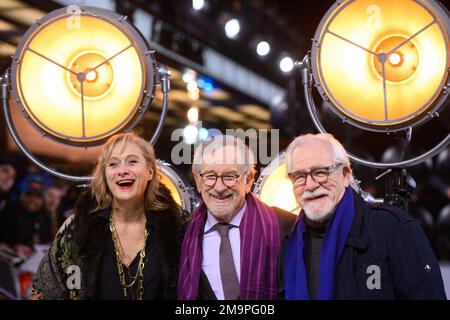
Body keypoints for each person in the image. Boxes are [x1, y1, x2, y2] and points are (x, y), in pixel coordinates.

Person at [280, 133, 446, 300]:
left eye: (321, 172)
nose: (310, 185)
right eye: (299, 177)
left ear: (345, 174)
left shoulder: (394, 228)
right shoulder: (284, 245)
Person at [31, 132, 189, 300]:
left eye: (132, 162)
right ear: (105, 176)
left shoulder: (178, 227)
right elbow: (44, 291)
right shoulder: (77, 228)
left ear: (150, 171)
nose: (122, 171)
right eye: (113, 164)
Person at [178, 135, 296, 300]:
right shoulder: (182, 236)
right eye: (210, 176)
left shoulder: (287, 228)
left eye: (229, 176)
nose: (219, 188)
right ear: (198, 180)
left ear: (248, 180)